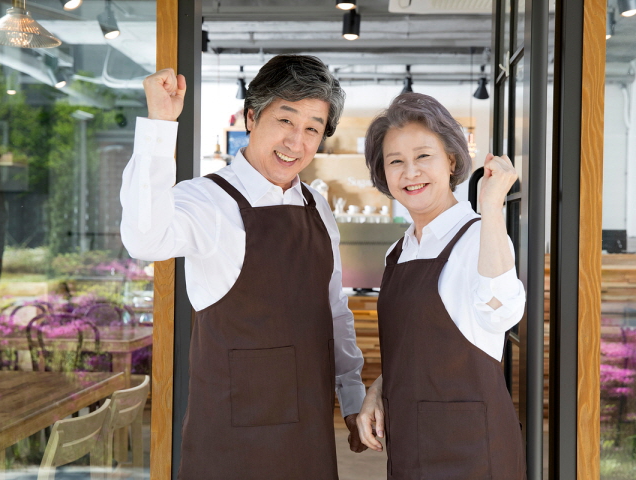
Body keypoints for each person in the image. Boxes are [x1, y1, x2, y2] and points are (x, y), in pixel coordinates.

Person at [120, 54, 367, 479]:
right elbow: (144, 239)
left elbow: (334, 312)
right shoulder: (206, 200)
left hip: (309, 432)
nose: (296, 142)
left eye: (312, 128)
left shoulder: (318, 207)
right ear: (252, 117)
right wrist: (159, 126)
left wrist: (353, 396)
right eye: (285, 120)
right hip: (231, 441)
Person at [356, 93, 527, 479]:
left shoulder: (480, 238)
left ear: (451, 160)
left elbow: (501, 313)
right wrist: (378, 389)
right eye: (395, 161)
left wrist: (492, 208)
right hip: (410, 446)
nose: (410, 172)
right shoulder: (398, 252)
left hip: (472, 452)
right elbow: (414, 348)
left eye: (423, 156)